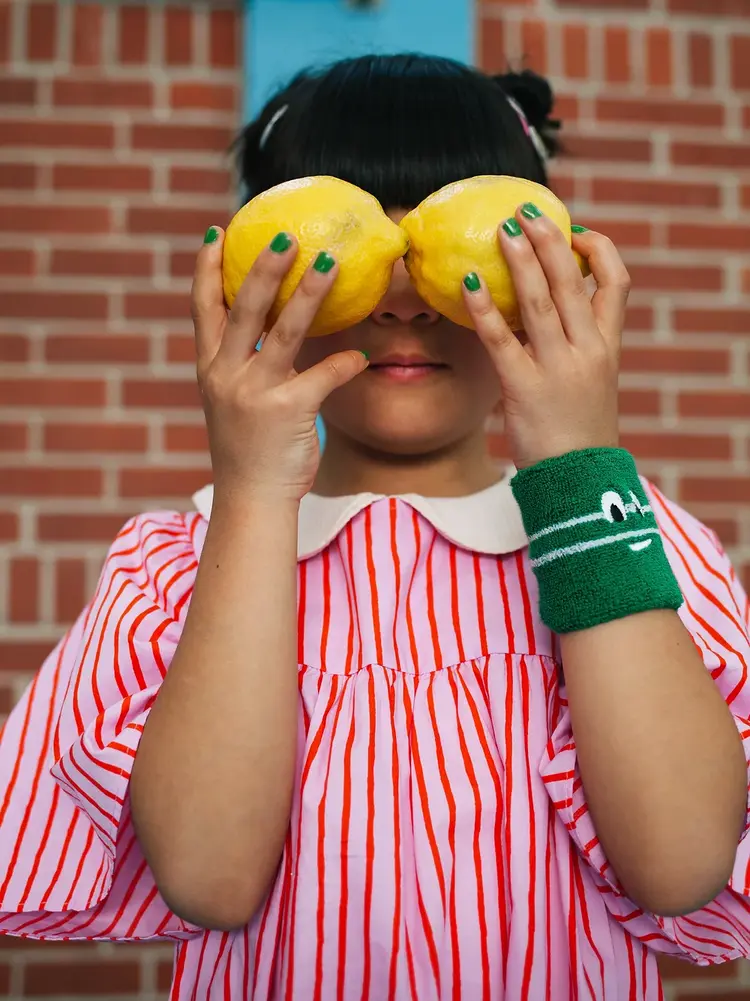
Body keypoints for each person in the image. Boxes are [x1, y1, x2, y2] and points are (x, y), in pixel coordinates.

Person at [0, 53, 749, 1001]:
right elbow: (208, 876)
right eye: (352, 239)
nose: (402, 295)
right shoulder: (177, 562)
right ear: (246, 283)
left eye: (441, 244)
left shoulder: (628, 534)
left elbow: (682, 857)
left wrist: (573, 463)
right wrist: (255, 489)